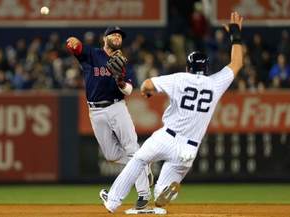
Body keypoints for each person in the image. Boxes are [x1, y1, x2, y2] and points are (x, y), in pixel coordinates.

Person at [99, 12, 244, 213]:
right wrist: (236, 35)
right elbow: (237, 64)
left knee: (139, 159)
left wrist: (147, 92)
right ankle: (164, 192)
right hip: (189, 149)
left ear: (188, 67)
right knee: (161, 193)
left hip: (167, 137)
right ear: (207, 69)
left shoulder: (180, 78)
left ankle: (112, 201)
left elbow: (147, 84)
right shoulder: (215, 84)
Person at [66, 26, 152, 209]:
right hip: (95, 111)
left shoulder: (122, 61)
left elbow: (128, 90)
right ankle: (143, 164)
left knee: (131, 147)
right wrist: (73, 43)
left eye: (120, 36)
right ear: (105, 39)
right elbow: (77, 49)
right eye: (113, 34)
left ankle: (144, 194)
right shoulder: (92, 54)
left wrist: (120, 79)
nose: (117, 37)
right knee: (111, 155)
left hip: (116, 107)